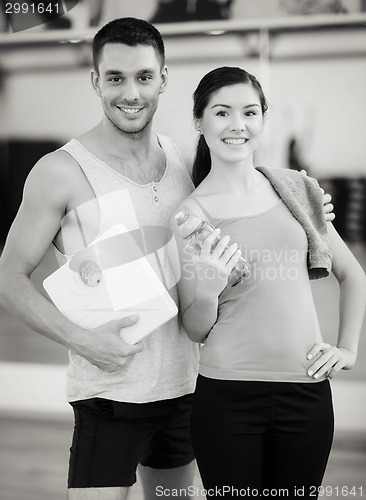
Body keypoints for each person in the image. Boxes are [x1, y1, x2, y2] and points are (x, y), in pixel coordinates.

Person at [0, 18, 334, 500]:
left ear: (163, 79)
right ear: (96, 81)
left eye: (143, 77)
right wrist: (84, 341)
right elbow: (9, 277)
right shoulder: (59, 172)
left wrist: (310, 205)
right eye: (114, 78)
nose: (129, 92)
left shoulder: (185, 163)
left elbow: (250, 200)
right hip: (108, 395)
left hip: (187, 391)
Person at [170, 66, 366, 499]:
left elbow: (353, 274)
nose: (236, 125)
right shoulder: (191, 216)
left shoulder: (296, 190)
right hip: (227, 398)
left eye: (249, 112)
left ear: (262, 119)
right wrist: (209, 285)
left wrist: (347, 349)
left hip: (307, 392)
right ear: (199, 123)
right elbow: (195, 327)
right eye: (221, 113)